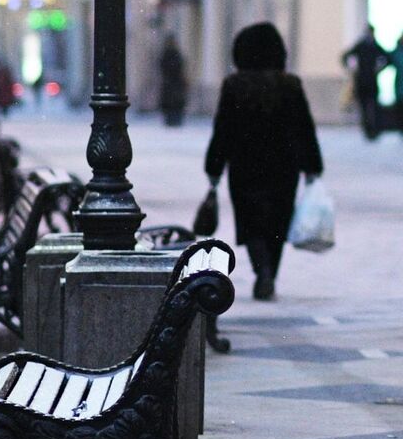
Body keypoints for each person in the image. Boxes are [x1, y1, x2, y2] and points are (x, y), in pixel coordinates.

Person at [205, 23, 323, 301]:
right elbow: (305, 127)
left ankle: (263, 271)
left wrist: (214, 168)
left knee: (250, 222)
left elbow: (223, 129)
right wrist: (312, 165)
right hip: (285, 166)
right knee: (278, 221)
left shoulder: (235, 85)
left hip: (244, 165)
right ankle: (270, 273)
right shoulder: (290, 84)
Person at [340, 27, 388, 141]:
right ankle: (369, 131)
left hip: (367, 81)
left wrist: (379, 69)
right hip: (364, 81)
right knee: (366, 108)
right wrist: (352, 69)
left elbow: (387, 58)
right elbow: (345, 56)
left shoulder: (370, 46)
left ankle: (372, 130)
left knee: (371, 107)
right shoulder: (365, 45)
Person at [158, 35, 189, 127]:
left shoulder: (168, 55)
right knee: (173, 103)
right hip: (173, 84)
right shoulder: (173, 55)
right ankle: (173, 120)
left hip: (172, 84)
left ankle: (172, 120)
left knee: (173, 103)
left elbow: (163, 67)